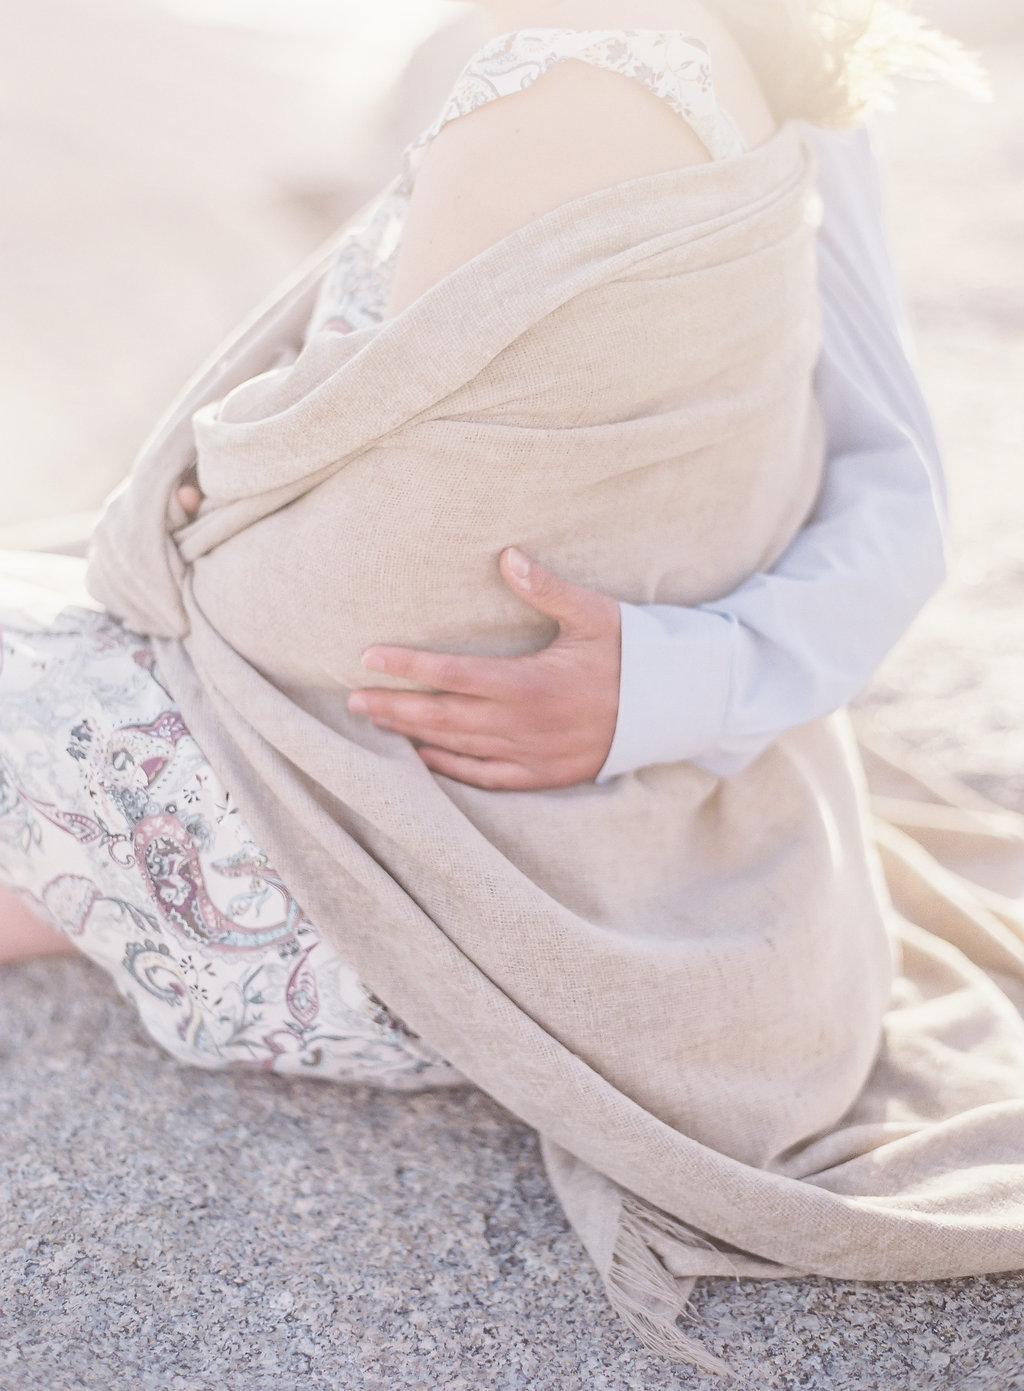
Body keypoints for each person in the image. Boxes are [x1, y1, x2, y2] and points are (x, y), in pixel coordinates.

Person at [5, 0, 1022, 1365]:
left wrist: (659, 684)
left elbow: (335, 572)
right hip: (527, 860)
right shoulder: (748, 64)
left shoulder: (569, 75)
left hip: (429, 899)